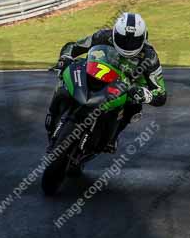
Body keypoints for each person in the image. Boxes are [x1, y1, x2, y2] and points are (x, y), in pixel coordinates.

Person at [46, 12, 167, 152]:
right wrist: (65, 58)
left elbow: (161, 92)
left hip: (126, 87)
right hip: (97, 73)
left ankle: (112, 137)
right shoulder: (103, 36)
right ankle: (54, 112)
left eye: (133, 41)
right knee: (69, 71)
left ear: (143, 38)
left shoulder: (150, 56)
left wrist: (146, 94)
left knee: (135, 106)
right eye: (123, 39)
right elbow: (73, 46)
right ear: (115, 33)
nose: (128, 44)